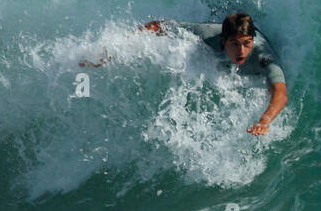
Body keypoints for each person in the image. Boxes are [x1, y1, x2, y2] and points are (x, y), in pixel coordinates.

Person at [80, 12, 288, 136]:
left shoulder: (263, 56)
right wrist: (111, 53)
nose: (241, 51)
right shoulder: (208, 36)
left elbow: (280, 91)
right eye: (235, 44)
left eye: (246, 44)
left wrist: (265, 120)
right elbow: (159, 26)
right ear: (224, 42)